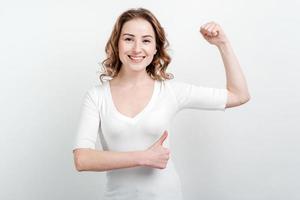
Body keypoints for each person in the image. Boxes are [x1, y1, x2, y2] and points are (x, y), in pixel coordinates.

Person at [72, 7, 250, 200]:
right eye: (129, 38)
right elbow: (82, 159)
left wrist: (222, 44)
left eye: (146, 40)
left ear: (156, 48)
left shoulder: (171, 92)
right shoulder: (97, 96)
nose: (137, 48)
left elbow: (239, 95)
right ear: (117, 43)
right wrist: (142, 157)